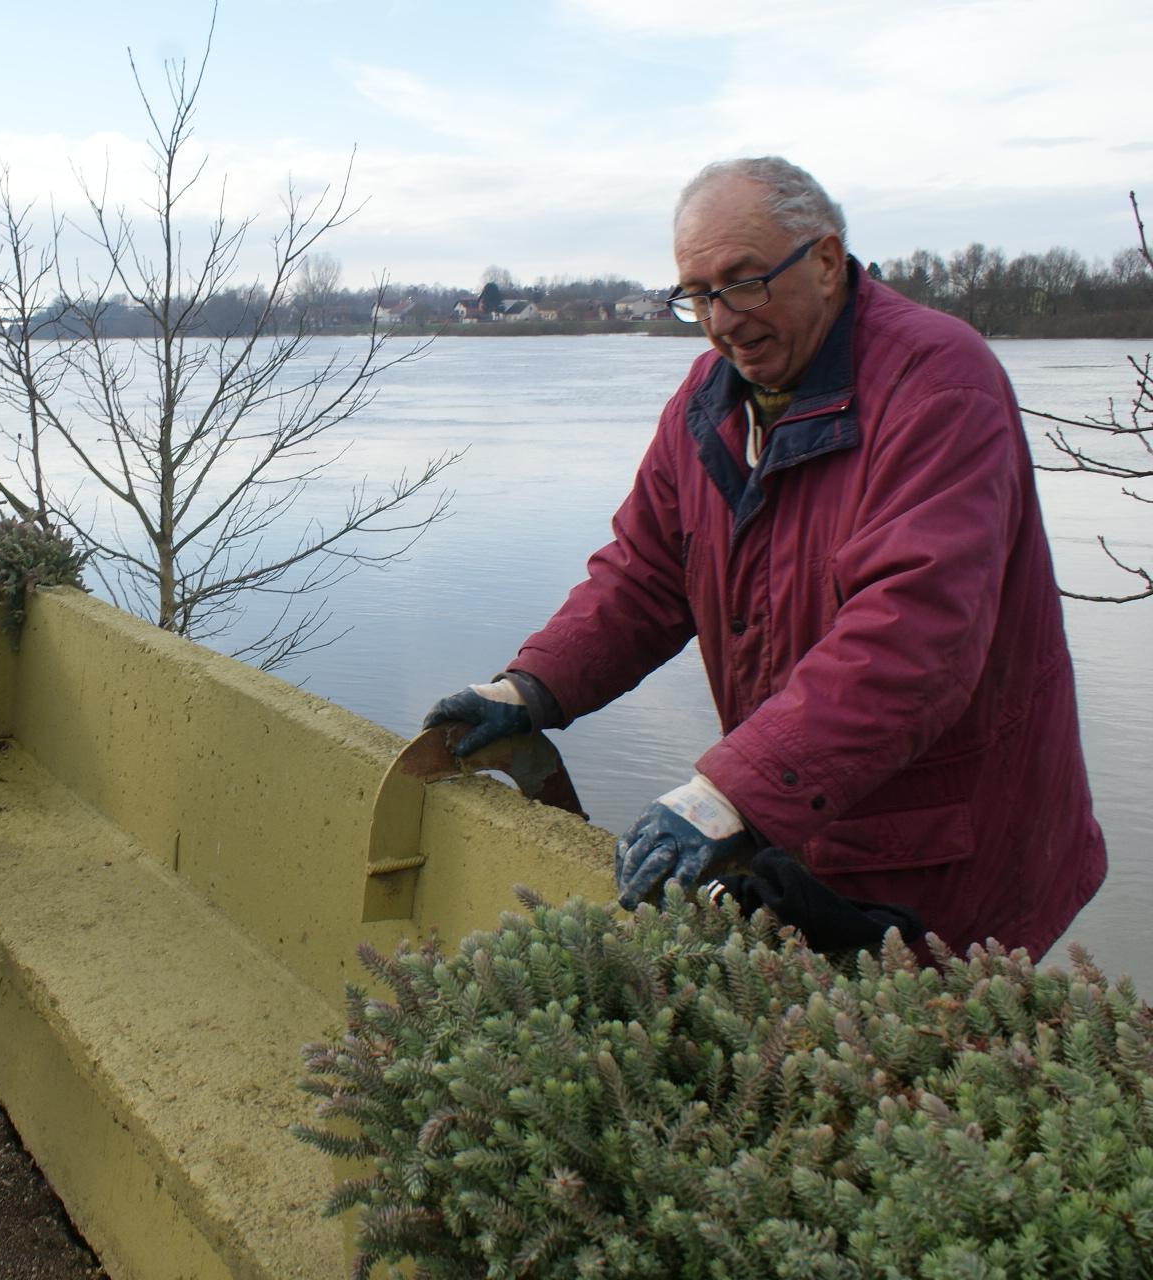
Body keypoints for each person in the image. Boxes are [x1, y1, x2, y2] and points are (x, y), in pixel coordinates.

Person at [424, 157, 1105, 957]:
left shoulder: (937, 384)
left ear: (823, 260)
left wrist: (729, 792)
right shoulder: (708, 400)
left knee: (943, 1055)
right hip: (802, 819)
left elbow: (915, 636)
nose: (722, 319)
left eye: (744, 282)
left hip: (946, 848)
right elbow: (645, 575)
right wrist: (532, 685)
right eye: (697, 294)